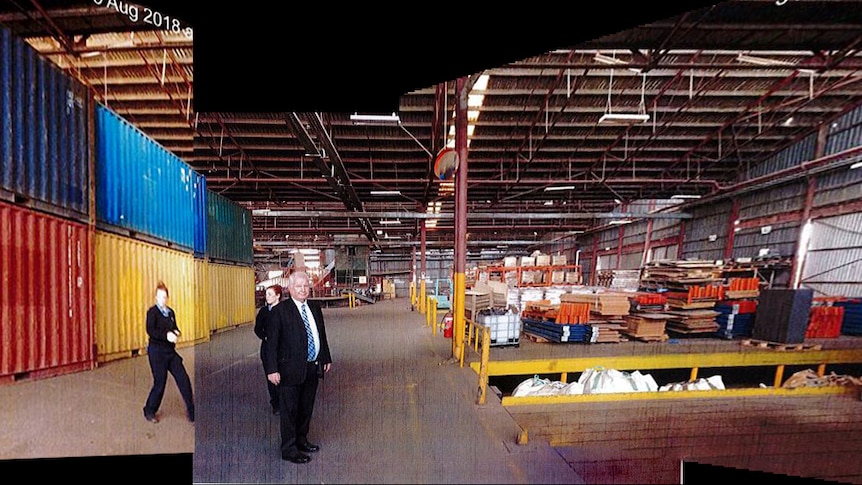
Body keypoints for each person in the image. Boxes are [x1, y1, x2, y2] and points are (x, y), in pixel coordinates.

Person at [264, 271, 332, 464]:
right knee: (289, 411)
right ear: (289, 289)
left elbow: (321, 335)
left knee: (306, 408)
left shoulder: (315, 308)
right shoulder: (280, 311)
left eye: (305, 286)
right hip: (289, 370)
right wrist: (272, 369)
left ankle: (302, 441)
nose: (303, 290)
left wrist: (326, 357)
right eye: (298, 287)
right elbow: (271, 344)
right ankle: (289, 449)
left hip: (312, 367)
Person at [143, 281, 195, 424]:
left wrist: (177, 332)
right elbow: (151, 331)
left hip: (170, 353)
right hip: (156, 352)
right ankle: (149, 410)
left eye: (164, 297)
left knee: (183, 379)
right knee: (160, 383)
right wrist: (166, 335)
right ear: (156, 298)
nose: (162, 300)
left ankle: (192, 411)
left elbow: (175, 327)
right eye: (159, 297)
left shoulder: (171, 312)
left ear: (167, 298)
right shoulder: (152, 312)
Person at [254, 284, 283, 415]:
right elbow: (257, 329)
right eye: (266, 294)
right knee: (271, 377)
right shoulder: (264, 312)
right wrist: (266, 337)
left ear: (278, 296)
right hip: (267, 349)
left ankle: (286, 402)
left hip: (283, 350)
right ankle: (275, 403)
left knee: (284, 376)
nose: (267, 297)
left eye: (270, 294)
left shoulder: (285, 311)